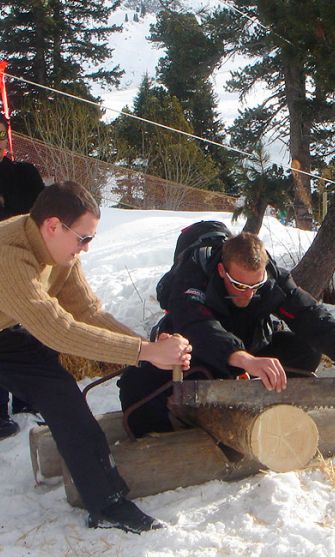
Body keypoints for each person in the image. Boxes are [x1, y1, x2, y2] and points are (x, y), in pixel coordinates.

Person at [0, 181, 192, 533]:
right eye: (83, 239)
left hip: (10, 333)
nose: (86, 249)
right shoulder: (9, 254)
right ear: (53, 226)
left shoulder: (62, 252)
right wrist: (145, 352)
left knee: (64, 399)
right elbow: (58, 330)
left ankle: (106, 504)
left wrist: (146, 349)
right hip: (22, 322)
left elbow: (87, 312)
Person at [119, 231, 335, 437]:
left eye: (255, 286)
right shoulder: (194, 273)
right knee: (137, 381)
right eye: (239, 285)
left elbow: (307, 313)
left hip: (248, 350)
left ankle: (273, 411)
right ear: (220, 270)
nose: (247, 294)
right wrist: (241, 358)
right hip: (199, 352)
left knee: (306, 351)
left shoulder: (273, 277)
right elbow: (197, 325)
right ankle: (173, 429)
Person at [0, 113, 46, 438]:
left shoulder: (24, 174)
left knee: (31, 327)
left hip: (24, 264)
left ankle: (28, 400)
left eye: (1, 135)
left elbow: (43, 217)